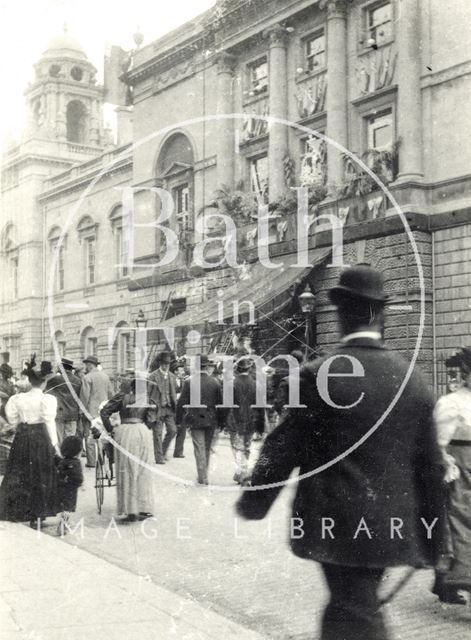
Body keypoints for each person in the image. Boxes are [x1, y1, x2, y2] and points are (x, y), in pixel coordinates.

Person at [236, 264, 443, 640]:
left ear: (340, 314)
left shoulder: (316, 376)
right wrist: (435, 541)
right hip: (391, 527)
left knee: (353, 611)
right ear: (380, 315)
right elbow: (431, 467)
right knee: (350, 607)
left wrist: (254, 501)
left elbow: (281, 447)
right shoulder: (413, 381)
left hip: (334, 527)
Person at [432, 347, 471, 603]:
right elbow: (437, 442)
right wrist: (446, 463)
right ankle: (458, 578)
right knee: (460, 523)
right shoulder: (452, 403)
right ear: (467, 374)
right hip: (461, 472)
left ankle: (445, 582)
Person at [0, 364, 59, 529]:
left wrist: (22, 422)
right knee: (41, 473)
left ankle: (19, 510)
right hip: (40, 436)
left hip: (23, 436)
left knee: (21, 471)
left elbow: (12, 418)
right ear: (43, 383)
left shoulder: (18, 399)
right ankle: (38, 514)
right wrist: (55, 443)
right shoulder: (47, 399)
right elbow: (49, 421)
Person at [100, 378, 154, 523]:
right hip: (142, 431)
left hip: (124, 432)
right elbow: (152, 420)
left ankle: (129, 509)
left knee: (126, 469)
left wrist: (111, 429)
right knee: (143, 469)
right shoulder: (148, 399)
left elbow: (104, 412)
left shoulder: (122, 397)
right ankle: (143, 507)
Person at [176, 354, 225, 485]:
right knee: (207, 448)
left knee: (199, 448)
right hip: (211, 419)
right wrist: (221, 422)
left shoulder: (188, 381)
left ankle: (202, 476)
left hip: (195, 419)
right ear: (207, 366)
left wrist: (178, 420)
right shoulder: (215, 382)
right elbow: (220, 404)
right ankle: (204, 475)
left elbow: (181, 402)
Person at [228, 357, 264, 485]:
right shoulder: (256, 384)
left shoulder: (232, 383)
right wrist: (261, 425)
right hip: (251, 420)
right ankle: (243, 473)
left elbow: (227, 404)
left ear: (238, 369)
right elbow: (260, 406)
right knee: (247, 446)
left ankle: (241, 473)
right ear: (249, 369)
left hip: (235, 420)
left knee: (237, 447)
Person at [79, 355, 113, 468]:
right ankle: (102, 460)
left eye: (86, 365)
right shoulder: (105, 377)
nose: (86, 367)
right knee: (102, 435)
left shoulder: (87, 378)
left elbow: (85, 396)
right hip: (103, 411)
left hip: (90, 412)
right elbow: (111, 394)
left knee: (89, 437)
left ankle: (92, 461)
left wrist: (81, 411)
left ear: (90, 365)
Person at [147, 352, 177, 464]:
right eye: (164, 363)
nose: (166, 366)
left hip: (169, 408)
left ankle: (163, 451)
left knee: (173, 431)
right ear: (160, 363)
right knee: (157, 434)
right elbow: (147, 394)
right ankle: (159, 458)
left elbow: (174, 393)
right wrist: (150, 406)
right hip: (157, 409)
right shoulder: (152, 376)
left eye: (168, 364)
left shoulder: (173, 377)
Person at [46, 358, 82, 444]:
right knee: (70, 439)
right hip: (73, 414)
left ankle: (60, 456)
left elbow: (45, 389)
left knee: (59, 438)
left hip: (59, 413)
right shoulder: (78, 380)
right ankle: (69, 456)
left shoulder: (56, 379)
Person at [56, 435, 83, 535]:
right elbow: (78, 477)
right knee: (68, 507)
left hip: (61, 487)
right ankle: (63, 525)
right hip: (71, 489)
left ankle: (64, 521)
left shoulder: (62, 461)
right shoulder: (76, 463)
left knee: (64, 507)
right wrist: (80, 484)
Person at [173, 360, 188, 458]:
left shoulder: (184, 381)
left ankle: (178, 452)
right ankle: (162, 449)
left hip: (181, 408)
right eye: (180, 370)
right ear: (175, 371)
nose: (182, 372)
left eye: (183, 370)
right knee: (172, 431)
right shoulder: (170, 380)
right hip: (172, 408)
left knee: (182, 430)